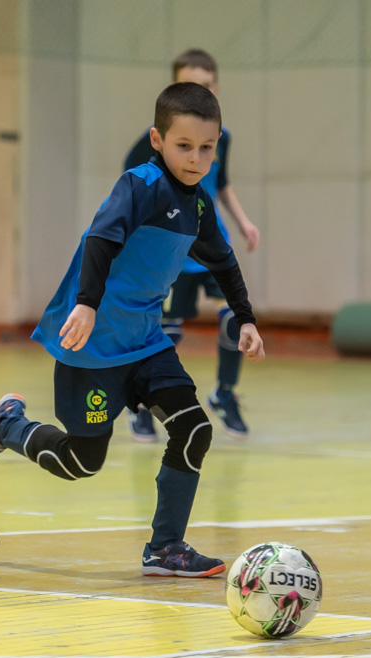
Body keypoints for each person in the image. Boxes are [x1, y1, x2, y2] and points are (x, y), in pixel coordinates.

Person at [0, 82, 265, 578]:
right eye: (184, 145)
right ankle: (6, 426)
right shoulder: (140, 186)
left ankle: (165, 549)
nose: (196, 158)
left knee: (194, 428)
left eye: (207, 147)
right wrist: (87, 305)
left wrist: (247, 317)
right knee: (82, 463)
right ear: (157, 139)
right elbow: (100, 240)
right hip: (93, 343)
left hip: (146, 342)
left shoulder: (198, 205)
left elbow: (223, 260)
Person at [123, 49, 260, 443]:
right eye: (189, 85)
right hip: (173, 251)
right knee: (165, 333)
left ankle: (225, 394)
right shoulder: (157, 140)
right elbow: (132, 190)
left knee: (235, 317)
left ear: (216, 88)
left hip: (211, 242)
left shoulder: (221, 137)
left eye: (206, 86)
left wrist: (243, 221)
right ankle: (141, 404)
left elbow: (222, 182)